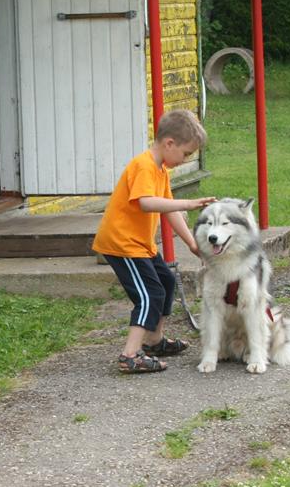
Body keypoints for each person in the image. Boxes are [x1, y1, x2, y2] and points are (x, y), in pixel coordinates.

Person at [92, 108, 216, 373]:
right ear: (169, 143)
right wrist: (189, 203)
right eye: (185, 153)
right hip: (122, 244)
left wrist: (192, 244)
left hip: (140, 244)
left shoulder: (160, 170)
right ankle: (130, 355)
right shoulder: (144, 166)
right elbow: (147, 203)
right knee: (149, 294)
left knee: (166, 282)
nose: (185, 160)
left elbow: (168, 209)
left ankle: (154, 341)